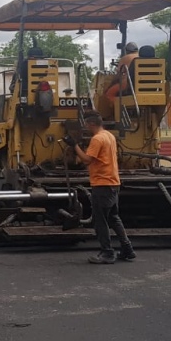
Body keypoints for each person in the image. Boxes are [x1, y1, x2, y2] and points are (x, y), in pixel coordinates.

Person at [67, 111, 135, 264]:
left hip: (102, 184)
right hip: (113, 182)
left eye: (85, 123)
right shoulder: (109, 135)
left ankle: (107, 252)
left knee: (101, 221)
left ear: (91, 123)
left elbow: (87, 160)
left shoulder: (97, 139)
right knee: (113, 218)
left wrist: (74, 146)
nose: (84, 126)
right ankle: (127, 248)